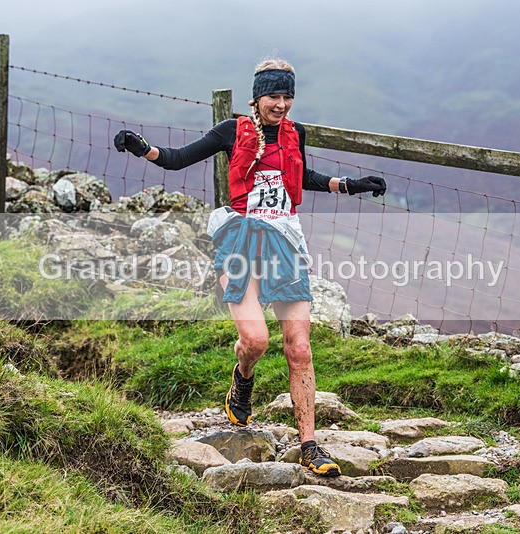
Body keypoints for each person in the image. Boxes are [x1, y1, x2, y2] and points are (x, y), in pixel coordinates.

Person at [114, 58, 386, 477]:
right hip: (240, 240)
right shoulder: (232, 130)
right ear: (257, 97)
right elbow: (176, 158)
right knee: (256, 340)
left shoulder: (296, 134)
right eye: (274, 96)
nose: (281, 104)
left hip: (285, 242)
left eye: (287, 96)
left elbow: (300, 176)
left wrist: (349, 185)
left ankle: (310, 446)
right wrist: (141, 146)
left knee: (299, 347)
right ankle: (242, 379)